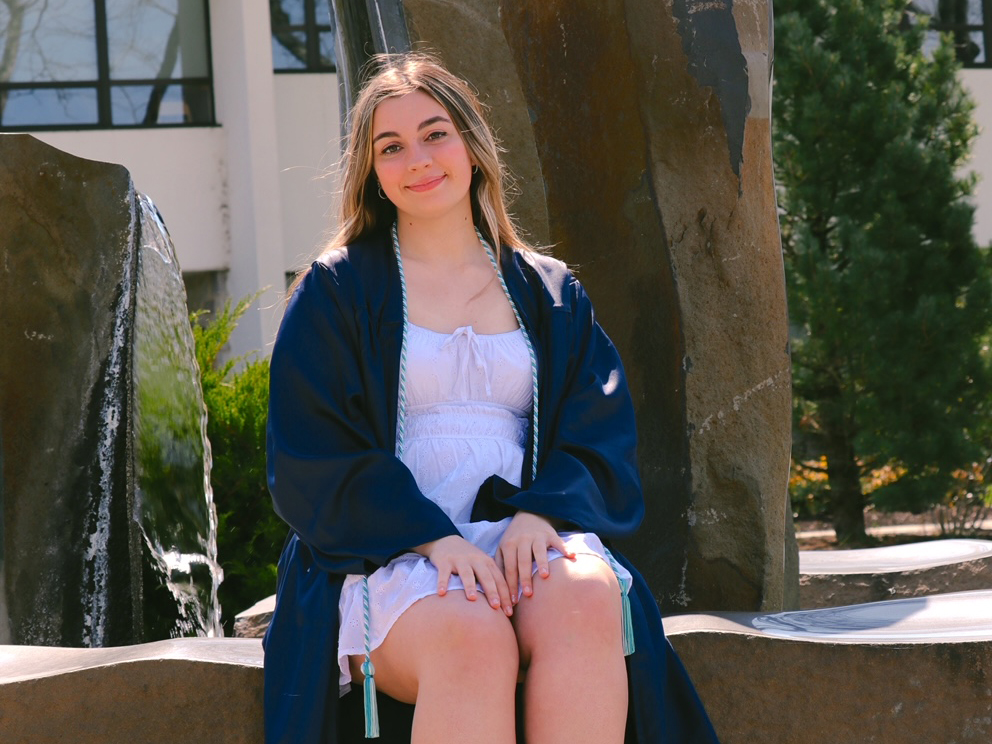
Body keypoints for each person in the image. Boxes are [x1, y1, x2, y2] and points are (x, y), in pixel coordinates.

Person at [263, 52, 719, 744]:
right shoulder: (338, 292)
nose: (418, 158)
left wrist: (544, 516)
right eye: (392, 146)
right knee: (471, 636)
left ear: (473, 146)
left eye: (435, 133)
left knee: (588, 600)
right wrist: (435, 540)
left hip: (523, 540)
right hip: (388, 554)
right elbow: (311, 452)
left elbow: (596, 427)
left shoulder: (548, 291)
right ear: (373, 172)